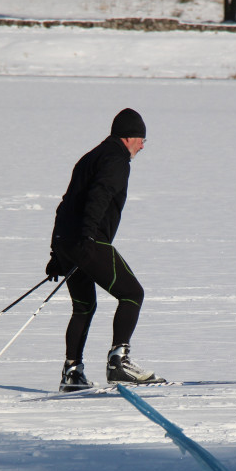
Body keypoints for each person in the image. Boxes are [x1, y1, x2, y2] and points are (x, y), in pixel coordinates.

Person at [46, 108, 165, 392]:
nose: (143, 146)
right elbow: (99, 196)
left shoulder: (91, 157)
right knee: (132, 293)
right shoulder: (116, 160)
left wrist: (56, 252)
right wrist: (88, 236)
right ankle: (119, 363)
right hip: (89, 241)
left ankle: (72, 373)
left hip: (69, 241)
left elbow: (65, 205)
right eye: (141, 139)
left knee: (84, 307)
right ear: (129, 137)